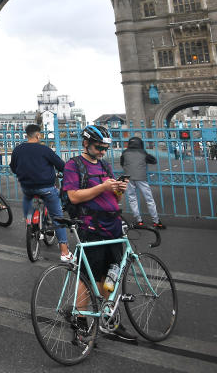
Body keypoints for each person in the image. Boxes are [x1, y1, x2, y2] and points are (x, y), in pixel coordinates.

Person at [63, 124, 137, 342]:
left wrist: (119, 191)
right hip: (91, 227)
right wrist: (102, 188)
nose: (103, 151)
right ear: (86, 143)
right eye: (99, 147)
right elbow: (74, 197)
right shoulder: (73, 165)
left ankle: (109, 321)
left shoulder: (105, 165)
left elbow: (115, 199)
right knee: (88, 279)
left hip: (113, 225)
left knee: (110, 278)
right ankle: (81, 324)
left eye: (106, 148)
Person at [10, 124, 71, 261]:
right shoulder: (44, 149)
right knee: (57, 216)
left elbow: (13, 168)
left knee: (29, 199)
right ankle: (64, 252)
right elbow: (62, 166)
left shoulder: (18, 150)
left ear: (27, 135)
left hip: (27, 188)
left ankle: (31, 224)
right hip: (46, 188)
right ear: (38, 135)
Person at [119, 137, 164, 229]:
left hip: (128, 177)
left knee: (132, 199)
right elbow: (154, 161)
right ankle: (156, 221)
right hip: (141, 178)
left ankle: (139, 220)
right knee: (149, 199)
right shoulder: (143, 153)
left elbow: (122, 163)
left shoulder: (124, 153)